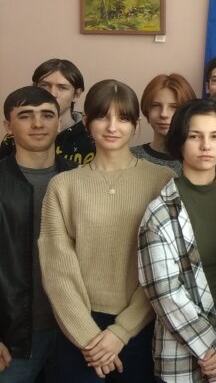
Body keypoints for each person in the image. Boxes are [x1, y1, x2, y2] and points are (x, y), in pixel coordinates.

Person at [38, 79, 174, 382]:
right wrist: (89, 338)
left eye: (123, 118)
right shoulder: (63, 186)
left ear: (136, 125)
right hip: (78, 329)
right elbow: (57, 269)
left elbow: (166, 265)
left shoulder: (162, 181)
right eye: (102, 116)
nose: (112, 126)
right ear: (87, 122)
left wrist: (121, 331)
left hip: (143, 327)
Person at [138, 99, 216, 382]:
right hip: (184, 337)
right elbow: (164, 292)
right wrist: (213, 355)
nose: (205, 145)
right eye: (194, 136)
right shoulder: (159, 210)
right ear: (179, 142)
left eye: (215, 136)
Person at [0, 87, 76, 382]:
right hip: (12, 338)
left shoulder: (80, 179)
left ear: (59, 122)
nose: (37, 124)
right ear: (8, 125)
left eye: (47, 115)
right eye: (25, 116)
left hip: (74, 331)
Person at [0, 58, 96, 164]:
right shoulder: (14, 137)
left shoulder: (93, 135)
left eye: (62, 87)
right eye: (44, 86)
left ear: (76, 95)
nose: (52, 93)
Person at [131, 73, 197, 176]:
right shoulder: (131, 157)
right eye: (156, 105)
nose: (163, 114)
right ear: (147, 109)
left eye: (174, 107)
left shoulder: (200, 160)